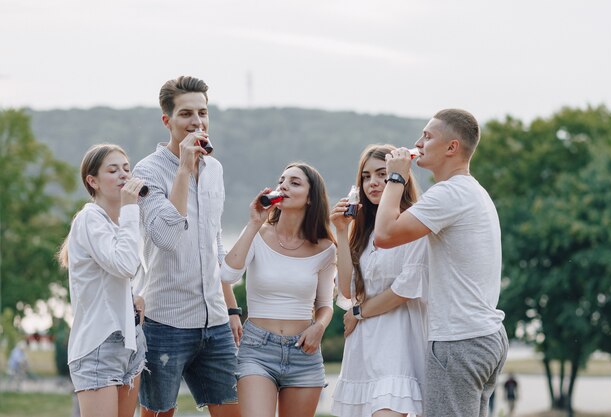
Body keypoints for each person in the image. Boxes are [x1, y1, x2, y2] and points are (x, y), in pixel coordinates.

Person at [374, 109, 509, 417]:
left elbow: (383, 235)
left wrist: (396, 176)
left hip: (458, 342)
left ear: (452, 148)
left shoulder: (449, 194)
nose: (418, 142)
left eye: (428, 136)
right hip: (486, 337)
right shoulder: (472, 192)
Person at [132, 75, 241, 417]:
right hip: (165, 322)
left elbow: (214, 242)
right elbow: (166, 237)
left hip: (216, 321)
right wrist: (183, 168)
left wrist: (232, 307)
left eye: (203, 113)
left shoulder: (215, 169)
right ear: (167, 120)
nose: (197, 122)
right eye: (186, 114)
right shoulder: (146, 172)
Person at [220, 162, 337, 417]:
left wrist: (319, 327)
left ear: (310, 198)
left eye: (295, 183)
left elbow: (325, 304)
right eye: (282, 180)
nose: (283, 185)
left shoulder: (326, 248)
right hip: (257, 349)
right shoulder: (258, 233)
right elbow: (227, 275)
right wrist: (253, 224)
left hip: (303, 353)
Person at [330, 144, 429, 417]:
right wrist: (341, 232)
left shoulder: (415, 222)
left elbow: (406, 288)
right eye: (366, 176)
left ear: (399, 176)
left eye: (382, 174)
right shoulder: (363, 232)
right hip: (364, 348)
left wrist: (359, 313)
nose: (373, 182)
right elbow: (348, 290)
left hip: (399, 346)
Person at [58, 143, 147, 417]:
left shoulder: (122, 224)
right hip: (99, 344)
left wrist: (138, 298)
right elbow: (124, 264)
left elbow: (132, 274)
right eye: (113, 170)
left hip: (130, 343)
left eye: (126, 168)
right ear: (92, 181)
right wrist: (131, 208)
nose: (123, 174)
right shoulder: (89, 219)